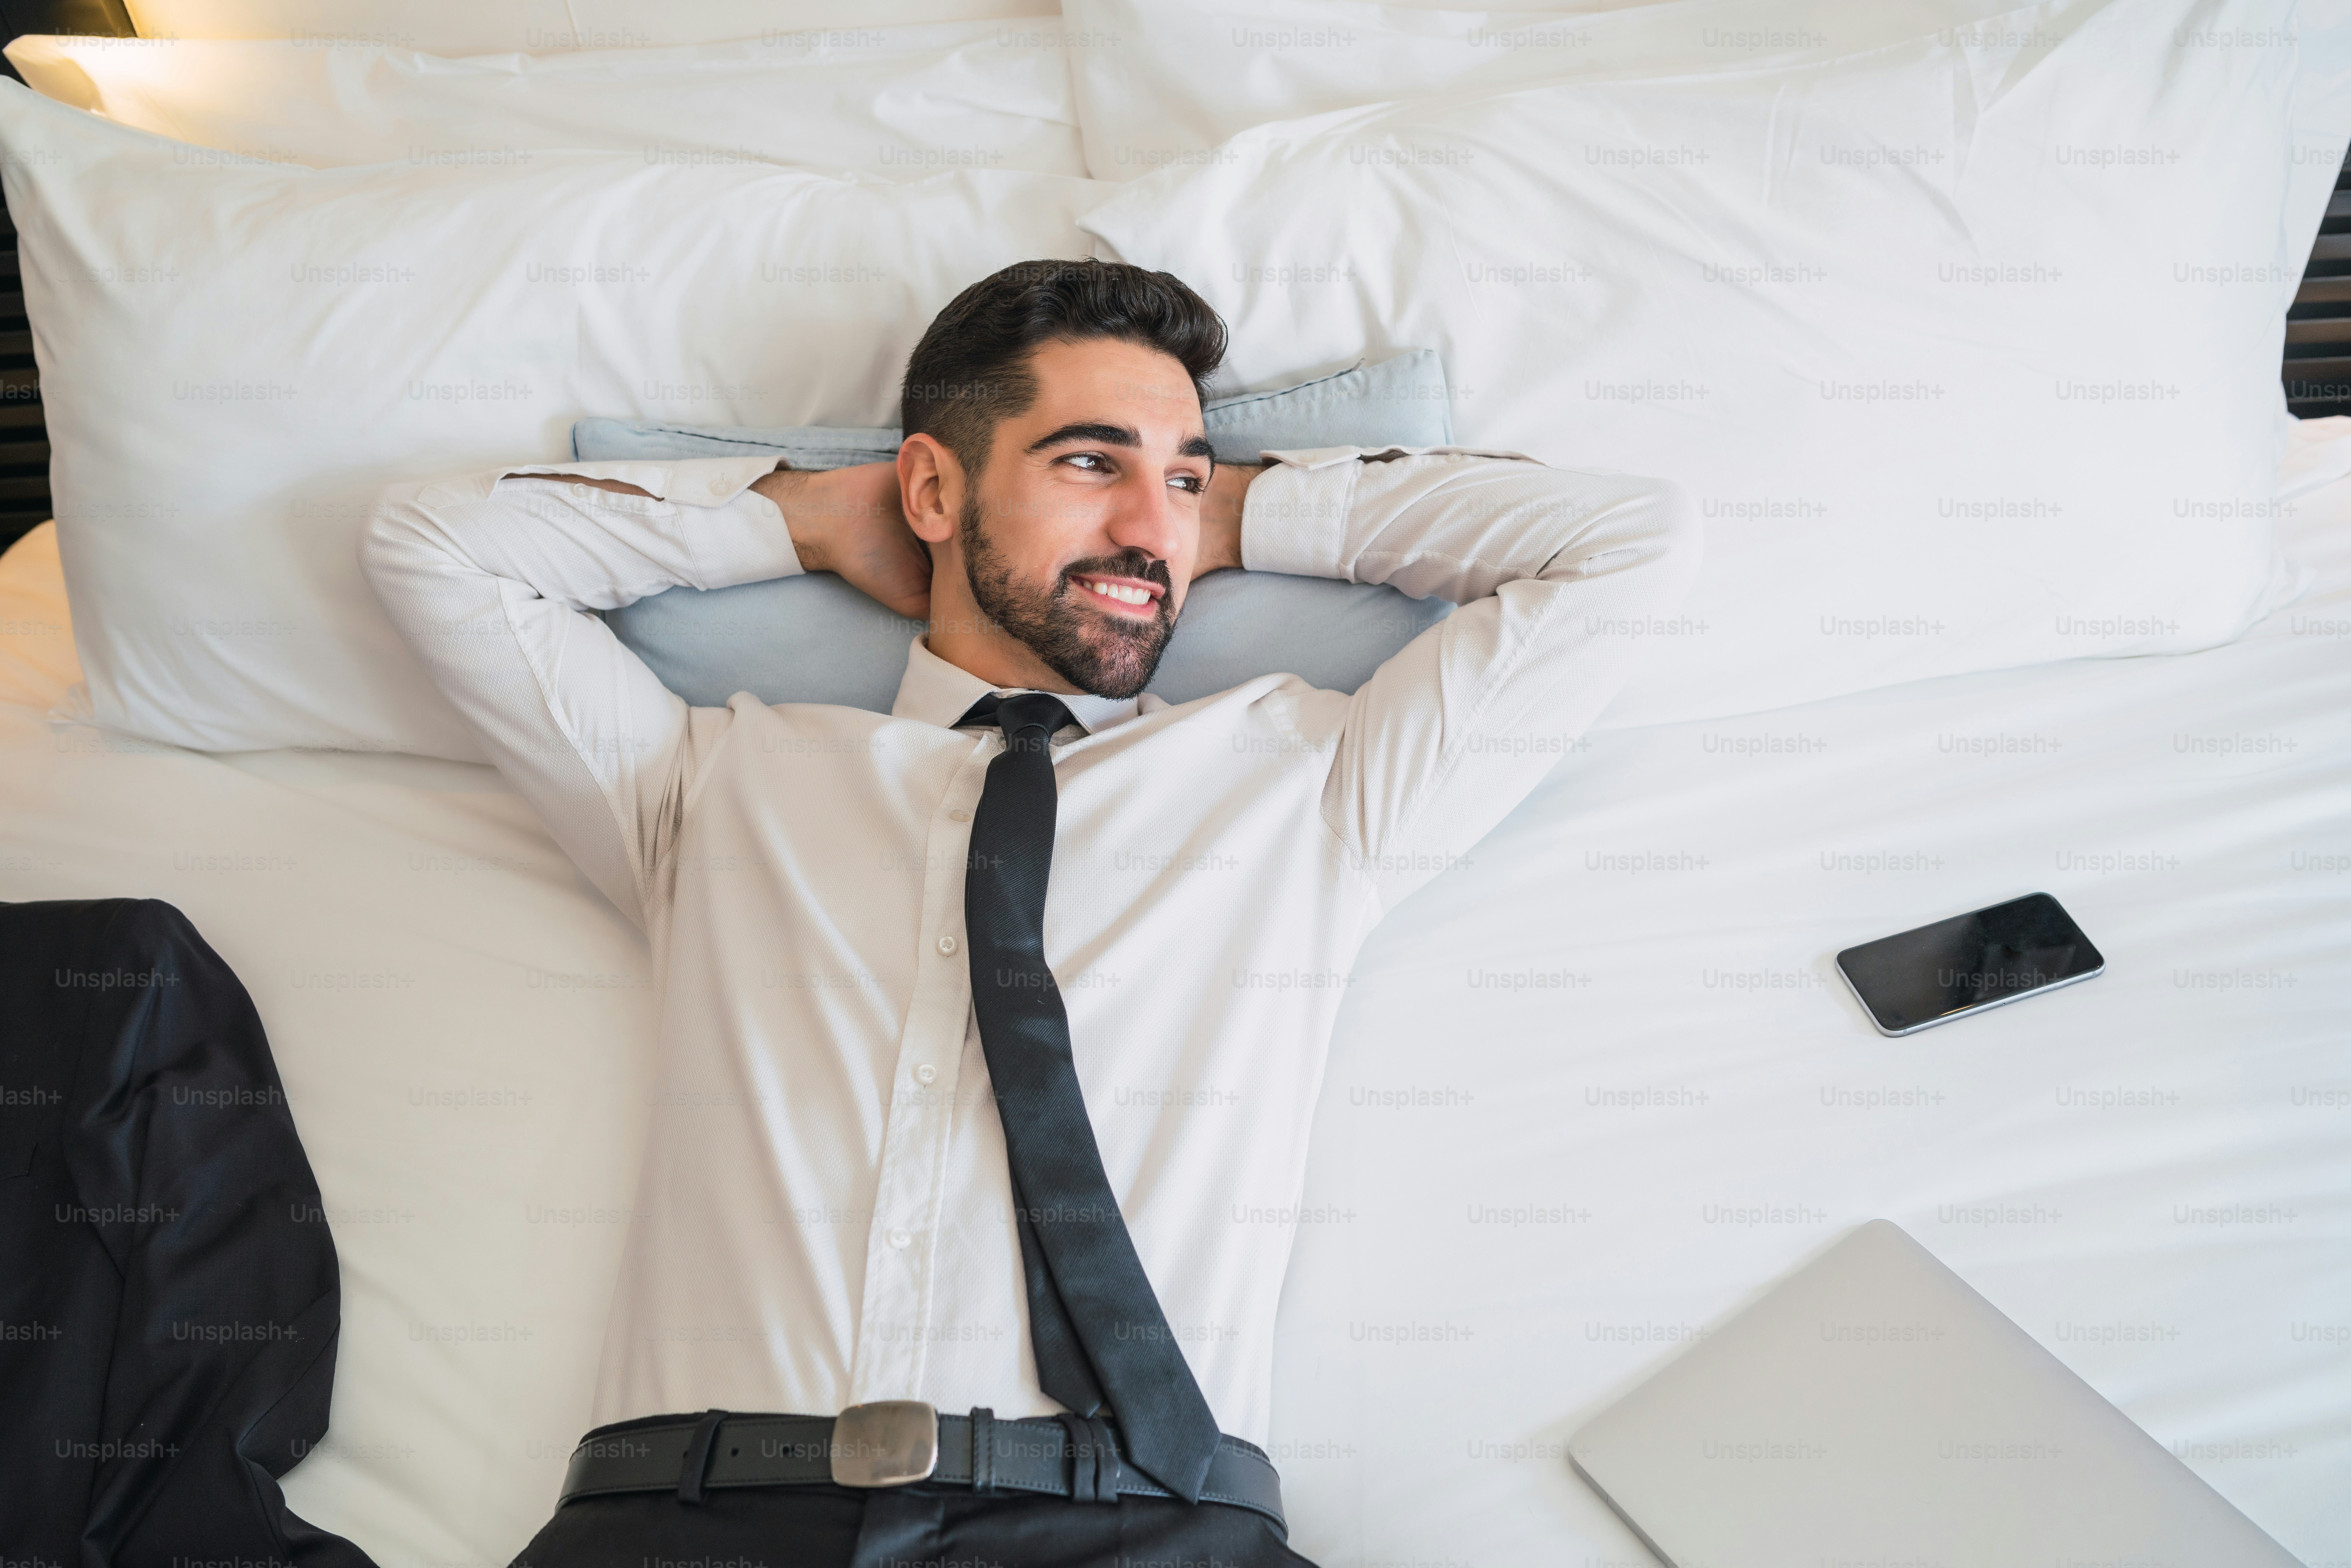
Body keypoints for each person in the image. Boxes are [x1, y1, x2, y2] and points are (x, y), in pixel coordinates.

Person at [362, 259, 1697, 1568]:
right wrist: (815, 520)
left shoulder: (1312, 784)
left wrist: (1227, 519)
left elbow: (1619, 541)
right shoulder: (704, 782)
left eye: (1180, 471)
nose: (1149, 523)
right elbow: (432, 543)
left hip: (1143, 1520)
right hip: (691, 1517)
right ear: (934, 487)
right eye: (1087, 462)